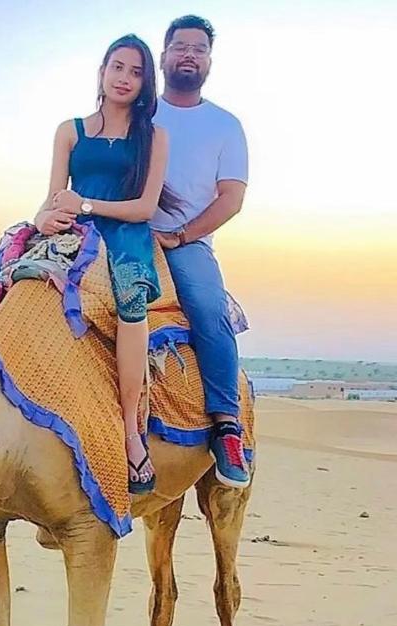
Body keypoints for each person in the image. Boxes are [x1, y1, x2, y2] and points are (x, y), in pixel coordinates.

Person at [0, 34, 181, 494]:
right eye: (117, 67)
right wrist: (45, 217)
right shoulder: (70, 131)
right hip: (69, 229)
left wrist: (86, 206)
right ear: (102, 71)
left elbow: (144, 207)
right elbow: (53, 198)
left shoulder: (155, 137)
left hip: (123, 235)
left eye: (136, 72)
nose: (124, 78)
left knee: (131, 301)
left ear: (146, 83)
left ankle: (130, 430)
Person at [150, 15, 252, 489]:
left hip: (186, 243)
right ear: (164, 55)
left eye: (198, 48)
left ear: (209, 61)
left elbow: (231, 198)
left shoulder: (224, 125)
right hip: (122, 230)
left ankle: (226, 426)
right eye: (180, 46)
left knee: (209, 312)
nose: (189, 55)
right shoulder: (139, 111)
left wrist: (182, 236)